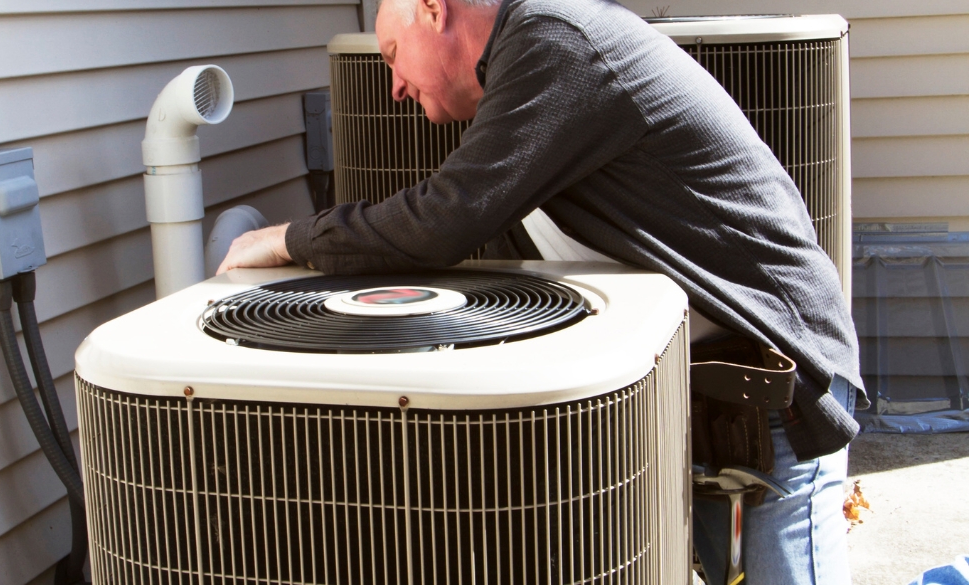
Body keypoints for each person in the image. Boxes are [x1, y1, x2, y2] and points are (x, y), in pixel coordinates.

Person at [218, 0, 865, 582]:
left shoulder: (553, 43)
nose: (392, 87)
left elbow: (443, 220)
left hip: (775, 378)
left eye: (391, 54)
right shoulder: (525, 73)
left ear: (434, 11)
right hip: (708, 394)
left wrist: (286, 241)